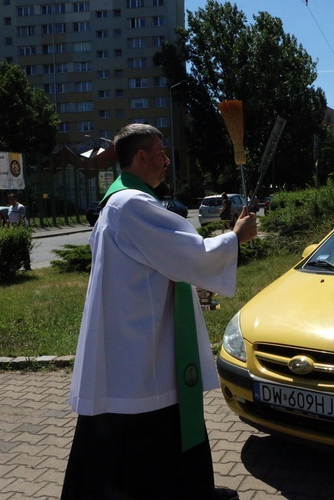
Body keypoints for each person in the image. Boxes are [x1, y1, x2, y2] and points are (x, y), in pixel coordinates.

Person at [61, 123, 257, 499]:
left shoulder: (117, 203)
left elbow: (163, 261)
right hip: (140, 350)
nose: (167, 160)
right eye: (161, 152)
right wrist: (236, 236)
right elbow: (192, 255)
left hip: (133, 335)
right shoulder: (132, 204)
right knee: (149, 435)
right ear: (140, 157)